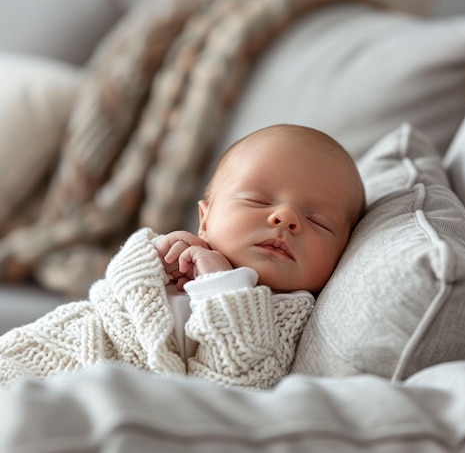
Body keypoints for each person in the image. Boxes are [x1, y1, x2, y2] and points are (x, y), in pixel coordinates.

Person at [0, 124, 365, 389]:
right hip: (54, 352)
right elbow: (114, 293)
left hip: (96, 394)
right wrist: (151, 257)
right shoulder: (179, 256)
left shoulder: (289, 313)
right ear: (204, 220)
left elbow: (242, 383)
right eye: (258, 200)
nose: (285, 218)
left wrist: (222, 286)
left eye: (318, 222)